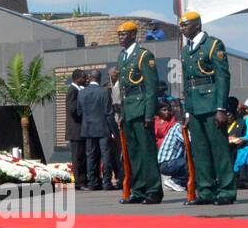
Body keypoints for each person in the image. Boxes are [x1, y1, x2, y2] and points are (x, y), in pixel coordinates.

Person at [178, 11, 236, 204]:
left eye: (186, 25)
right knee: (200, 151)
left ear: (197, 25)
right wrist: (187, 110)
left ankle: (226, 191)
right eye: (182, 25)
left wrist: (221, 108)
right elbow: (187, 82)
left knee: (219, 150)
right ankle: (205, 191)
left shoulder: (213, 45)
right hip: (195, 105)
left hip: (211, 104)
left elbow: (222, 77)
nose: (183, 28)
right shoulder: (186, 50)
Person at [116, 21, 162, 203]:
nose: (121, 37)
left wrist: (149, 114)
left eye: (124, 34)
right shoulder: (122, 56)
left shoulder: (143, 55)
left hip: (142, 108)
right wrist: (120, 112)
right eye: (119, 35)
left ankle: (153, 190)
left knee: (147, 151)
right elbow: (123, 89)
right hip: (128, 109)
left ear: (133, 35)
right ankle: (139, 189)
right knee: (133, 153)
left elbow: (151, 87)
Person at [78, 69, 110, 190]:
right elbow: (108, 112)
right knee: (105, 155)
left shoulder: (82, 92)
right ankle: (106, 182)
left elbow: (79, 111)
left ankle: (93, 183)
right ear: (99, 78)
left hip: (88, 128)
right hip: (103, 127)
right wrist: (113, 130)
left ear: (90, 78)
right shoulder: (104, 92)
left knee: (90, 156)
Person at [154, 101, 188, 192]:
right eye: (164, 110)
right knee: (190, 162)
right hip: (166, 160)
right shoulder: (156, 122)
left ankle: (179, 181)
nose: (167, 112)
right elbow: (188, 141)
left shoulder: (173, 122)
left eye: (169, 110)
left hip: (170, 156)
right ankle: (176, 181)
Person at [65, 69, 86, 188]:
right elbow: (73, 110)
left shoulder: (79, 90)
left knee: (82, 156)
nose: (85, 79)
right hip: (76, 130)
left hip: (80, 130)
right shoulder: (72, 91)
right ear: (77, 78)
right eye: (83, 77)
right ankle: (79, 182)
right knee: (77, 157)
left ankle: (83, 179)